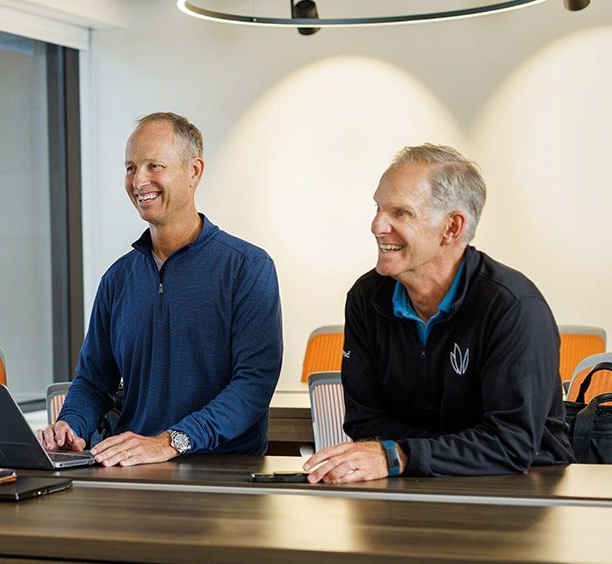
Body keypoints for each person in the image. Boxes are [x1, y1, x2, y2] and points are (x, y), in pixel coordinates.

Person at [304, 143, 573, 484]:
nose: (376, 225)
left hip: (520, 490)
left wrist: (399, 454)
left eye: (400, 213)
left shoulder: (514, 307)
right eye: (378, 208)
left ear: (452, 228)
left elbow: (510, 445)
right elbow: (364, 422)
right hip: (410, 482)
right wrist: (411, 456)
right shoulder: (367, 297)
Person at [37, 112, 283, 466]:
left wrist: (171, 441)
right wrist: (69, 426)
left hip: (224, 475)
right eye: (130, 167)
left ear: (194, 171)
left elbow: (253, 386)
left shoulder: (247, 267)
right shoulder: (117, 279)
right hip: (130, 469)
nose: (139, 180)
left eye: (154, 166)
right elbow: (93, 381)